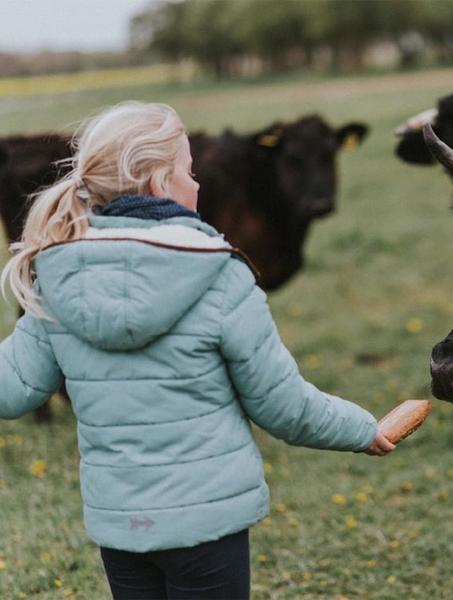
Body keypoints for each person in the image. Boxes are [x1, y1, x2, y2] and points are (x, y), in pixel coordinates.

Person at [0, 101, 395, 599]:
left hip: (123, 529)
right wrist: (363, 430)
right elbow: (284, 406)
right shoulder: (220, 274)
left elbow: (9, 388)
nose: (198, 184)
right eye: (188, 171)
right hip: (208, 526)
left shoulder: (57, 280)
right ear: (160, 185)